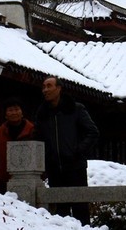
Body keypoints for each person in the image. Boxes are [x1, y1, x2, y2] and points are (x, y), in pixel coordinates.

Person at [35, 76, 99, 224]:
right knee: (60, 214)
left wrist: (78, 151)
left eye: (49, 86)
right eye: (43, 86)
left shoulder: (76, 109)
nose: (45, 90)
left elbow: (93, 132)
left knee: (80, 210)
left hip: (75, 167)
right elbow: (37, 138)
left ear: (59, 88)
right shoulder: (42, 113)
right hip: (54, 168)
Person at [0, 96, 36, 192]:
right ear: (5, 114)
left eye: (17, 109)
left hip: (28, 181)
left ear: (22, 112)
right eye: (10, 110)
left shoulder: (32, 131)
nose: (14, 113)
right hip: (3, 182)